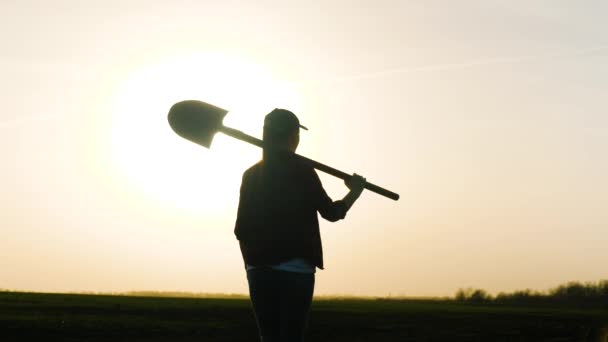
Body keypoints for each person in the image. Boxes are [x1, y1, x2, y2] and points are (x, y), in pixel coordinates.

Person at [234, 108, 366, 342]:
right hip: (296, 271)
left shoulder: (250, 175)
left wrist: (253, 265)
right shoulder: (303, 171)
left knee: (269, 337)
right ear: (293, 136)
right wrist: (353, 193)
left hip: (258, 270)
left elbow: (240, 230)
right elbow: (332, 213)